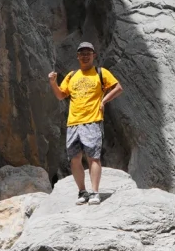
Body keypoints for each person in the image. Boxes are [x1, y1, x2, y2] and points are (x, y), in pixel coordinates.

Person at [48, 41, 122, 203]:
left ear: (94, 55)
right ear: (77, 56)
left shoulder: (100, 73)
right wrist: (53, 83)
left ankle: (95, 192)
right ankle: (82, 192)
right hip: (73, 122)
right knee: (74, 159)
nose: (85, 56)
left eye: (88, 53)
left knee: (93, 157)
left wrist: (104, 101)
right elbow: (61, 95)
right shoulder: (71, 75)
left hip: (92, 120)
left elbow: (118, 88)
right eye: (82, 53)